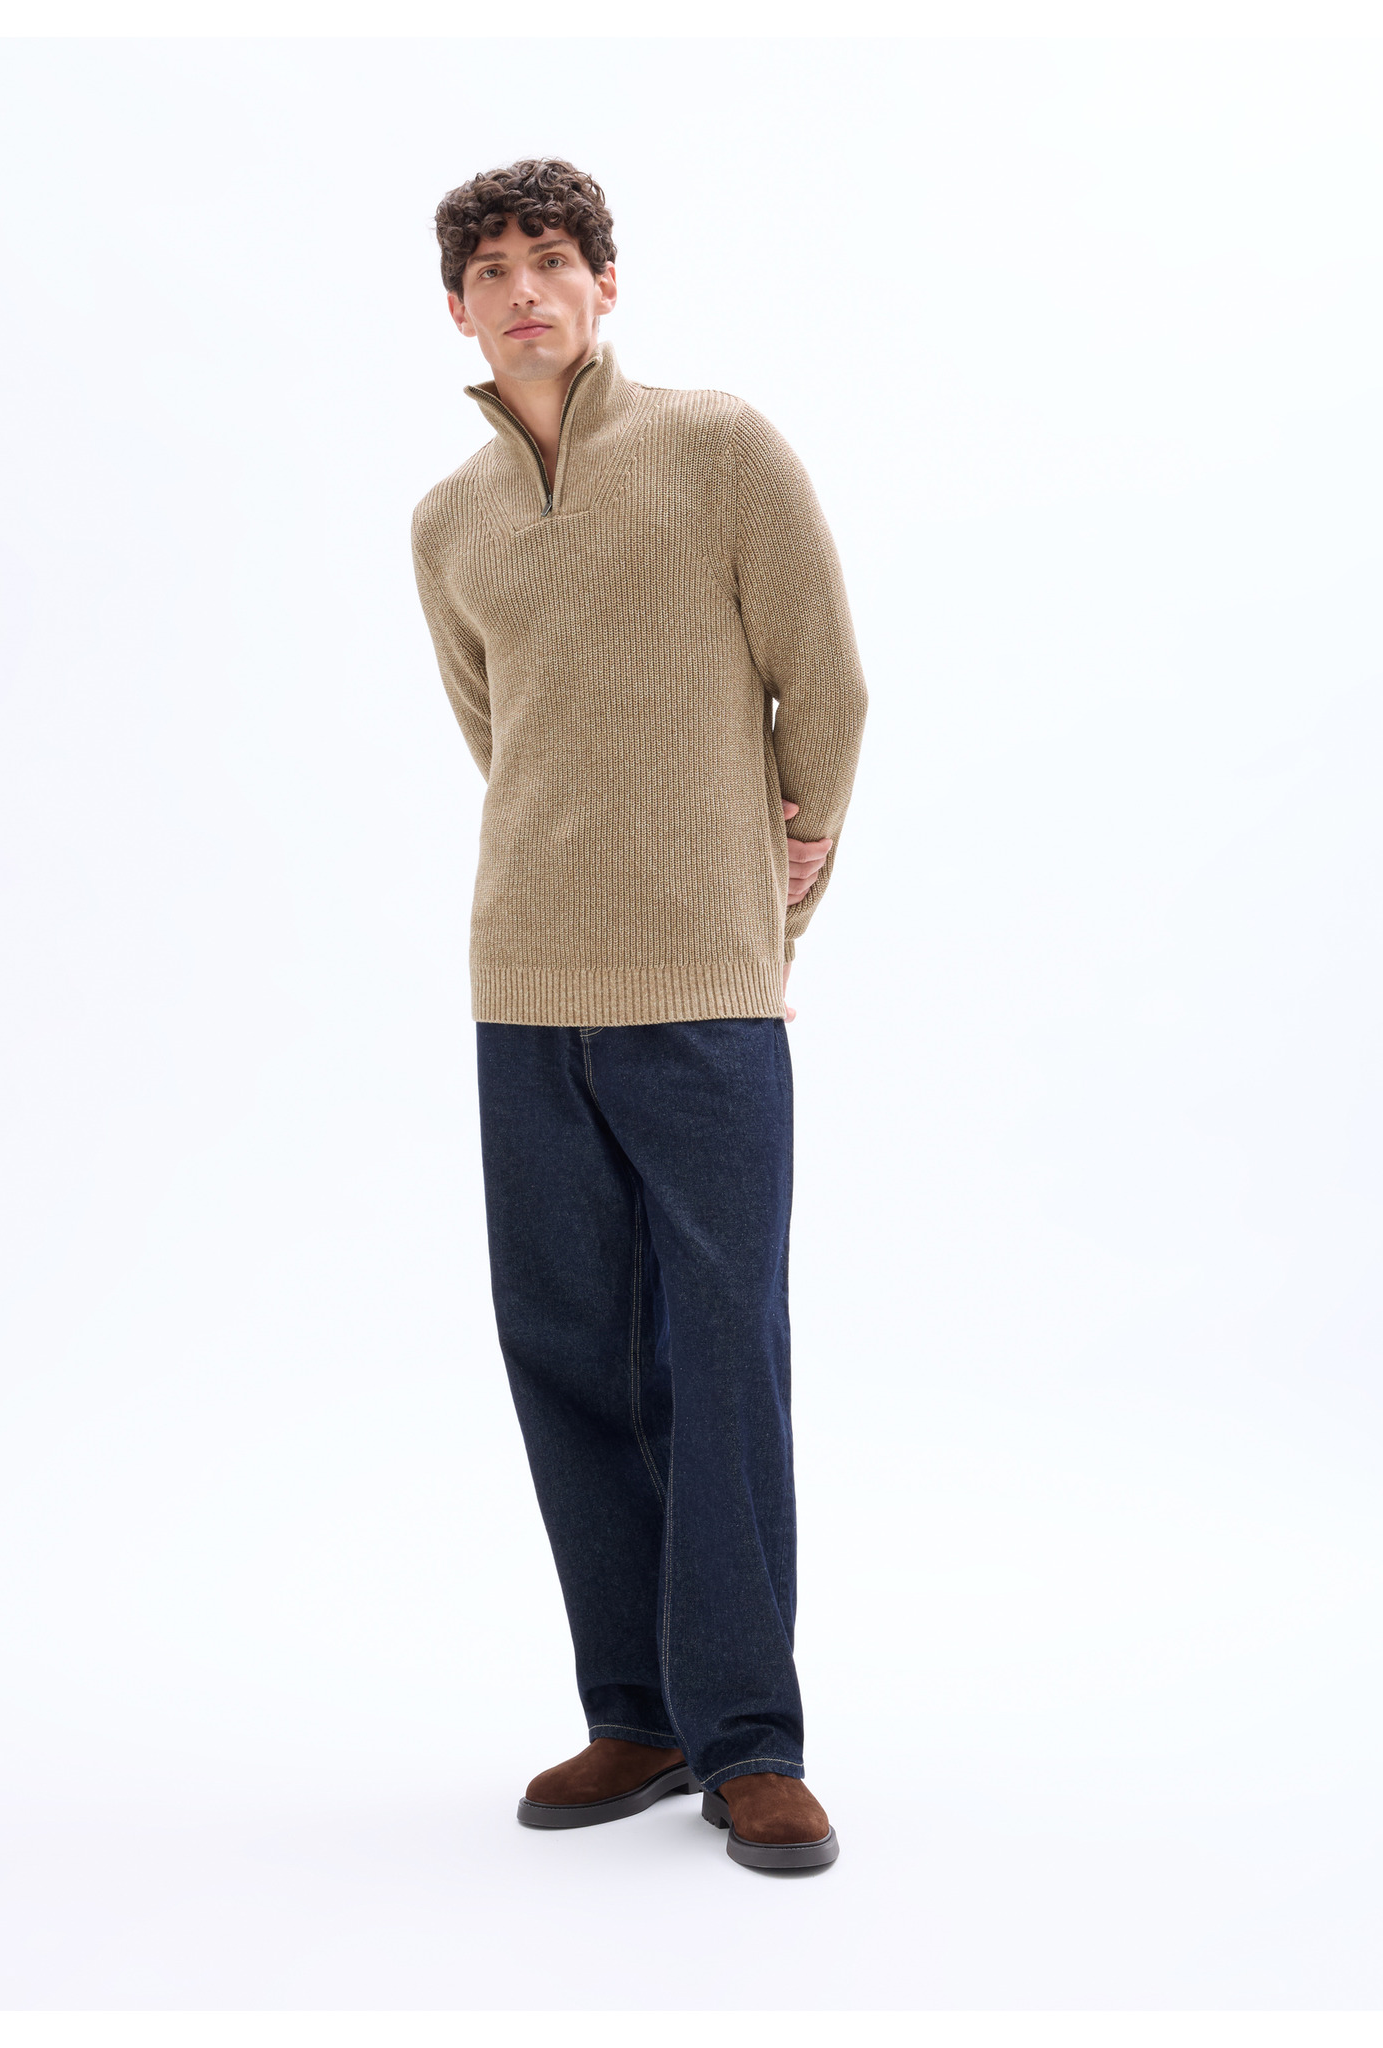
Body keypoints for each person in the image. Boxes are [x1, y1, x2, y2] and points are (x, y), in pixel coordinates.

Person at [411, 159, 866, 1873]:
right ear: (456, 310)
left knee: (722, 1356)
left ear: (606, 284)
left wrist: (775, 893)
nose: (524, 289)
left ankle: (752, 1737)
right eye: (492, 270)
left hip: (704, 995)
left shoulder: (717, 447)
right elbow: (498, 735)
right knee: (567, 1355)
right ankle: (642, 1712)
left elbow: (825, 686)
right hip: (525, 987)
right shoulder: (447, 522)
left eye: (553, 259)